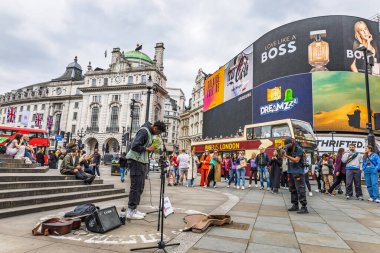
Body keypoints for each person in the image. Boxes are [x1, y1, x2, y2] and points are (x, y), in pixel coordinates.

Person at [126, 121, 166, 220]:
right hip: (136, 161)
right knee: (135, 186)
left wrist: (152, 148)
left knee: (140, 187)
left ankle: (134, 209)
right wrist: (148, 149)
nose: (158, 134)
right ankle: (130, 211)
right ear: (155, 128)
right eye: (159, 132)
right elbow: (134, 146)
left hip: (141, 161)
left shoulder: (149, 133)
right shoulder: (144, 131)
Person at [284, 137, 308, 214]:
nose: (287, 146)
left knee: (300, 189)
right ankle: (295, 205)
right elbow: (283, 157)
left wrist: (287, 156)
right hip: (291, 171)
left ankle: (304, 207)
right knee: (292, 189)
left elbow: (296, 160)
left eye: (288, 144)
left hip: (298, 172)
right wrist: (280, 152)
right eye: (286, 145)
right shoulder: (288, 150)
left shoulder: (299, 149)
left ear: (292, 142)